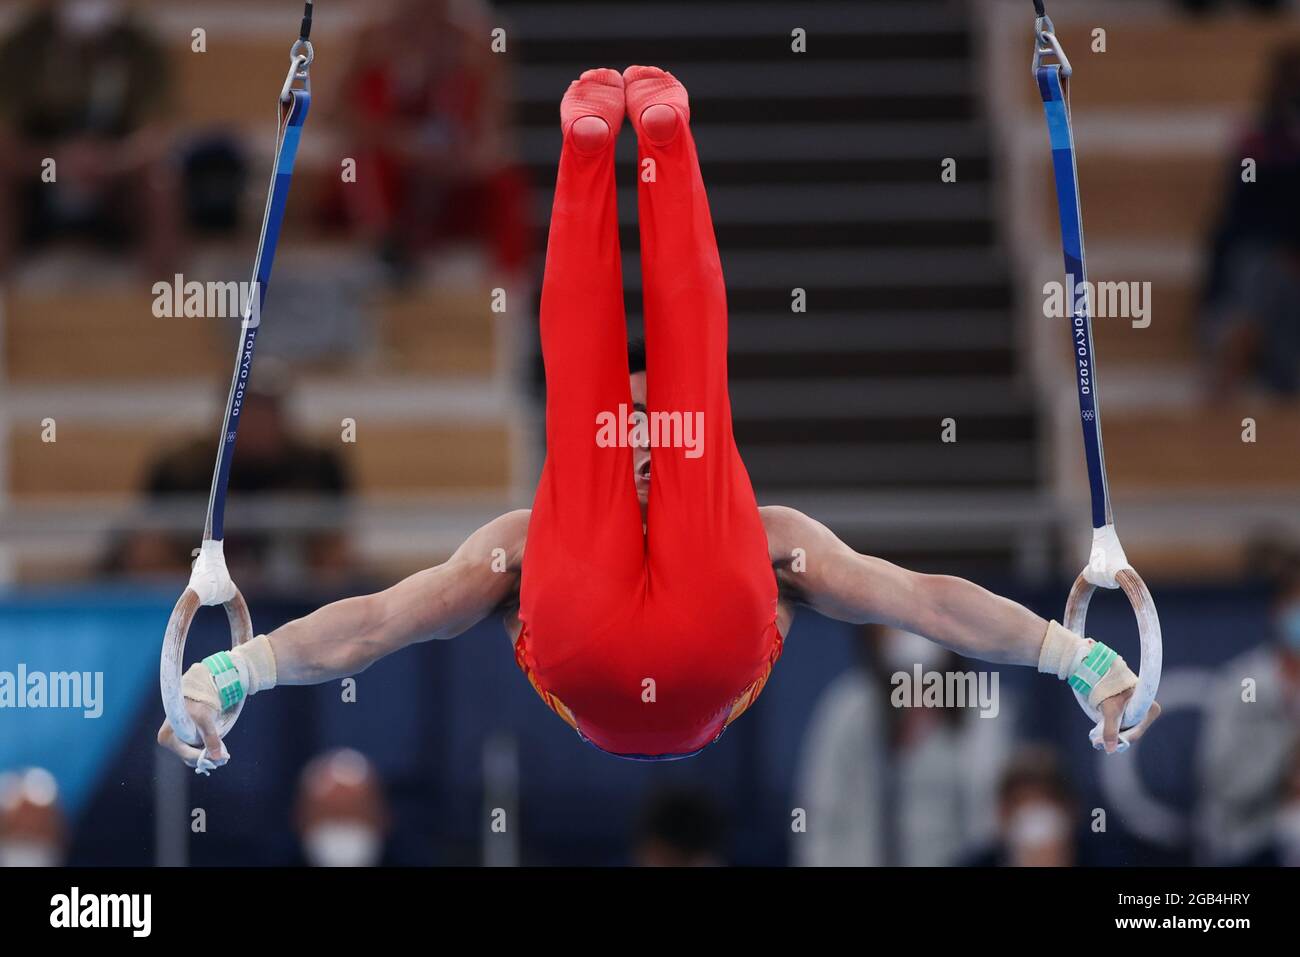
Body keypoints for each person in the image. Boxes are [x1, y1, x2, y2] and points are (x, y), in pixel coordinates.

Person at [158, 67, 1160, 770]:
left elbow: (377, 628)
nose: (635, 432)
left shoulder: (520, 544)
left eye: (636, 427)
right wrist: (1075, 657)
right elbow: (923, 603)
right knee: (689, 398)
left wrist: (236, 673)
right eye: (633, 427)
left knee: (608, 404)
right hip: (712, 642)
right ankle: (655, 149)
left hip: (588, 643)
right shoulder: (773, 541)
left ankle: (598, 153)